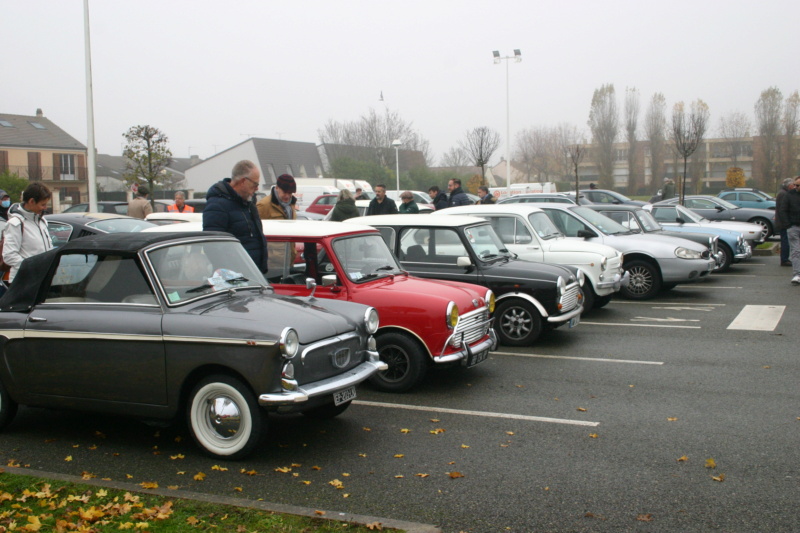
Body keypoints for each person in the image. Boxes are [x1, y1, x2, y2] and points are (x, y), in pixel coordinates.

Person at [203, 160, 268, 273]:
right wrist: (232, 274)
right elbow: (212, 247)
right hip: (235, 280)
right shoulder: (217, 205)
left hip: (254, 275)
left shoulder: (248, 204)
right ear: (243, 181)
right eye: (255, 184)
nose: (257, 188)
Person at [1, 182, 53, 283]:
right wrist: (32, 268)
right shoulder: (15, 223)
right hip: (24, 282)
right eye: (43, 204)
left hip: (40, 279)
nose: (45, 208)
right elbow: (9, 256)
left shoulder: (41, 221)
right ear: (31, 201)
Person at [778, 175, 800, 285]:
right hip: (794, 227)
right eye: (795, 185)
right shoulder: (789, 195)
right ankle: (797, 274)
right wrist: (788, 225)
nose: (795, 187)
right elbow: (783, 210)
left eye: (798, 185)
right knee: (795, 252)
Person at [776, 177, 796, 267]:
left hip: (782, 222)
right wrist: (787, 222)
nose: (794, 187)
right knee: (785, 241)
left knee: (785, 241)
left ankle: (785, 259)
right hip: (783, 223)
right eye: (793, 185)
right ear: (789, 185)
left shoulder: (782, 193)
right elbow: (782, 209)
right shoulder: (784, 194)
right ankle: (784, 259)